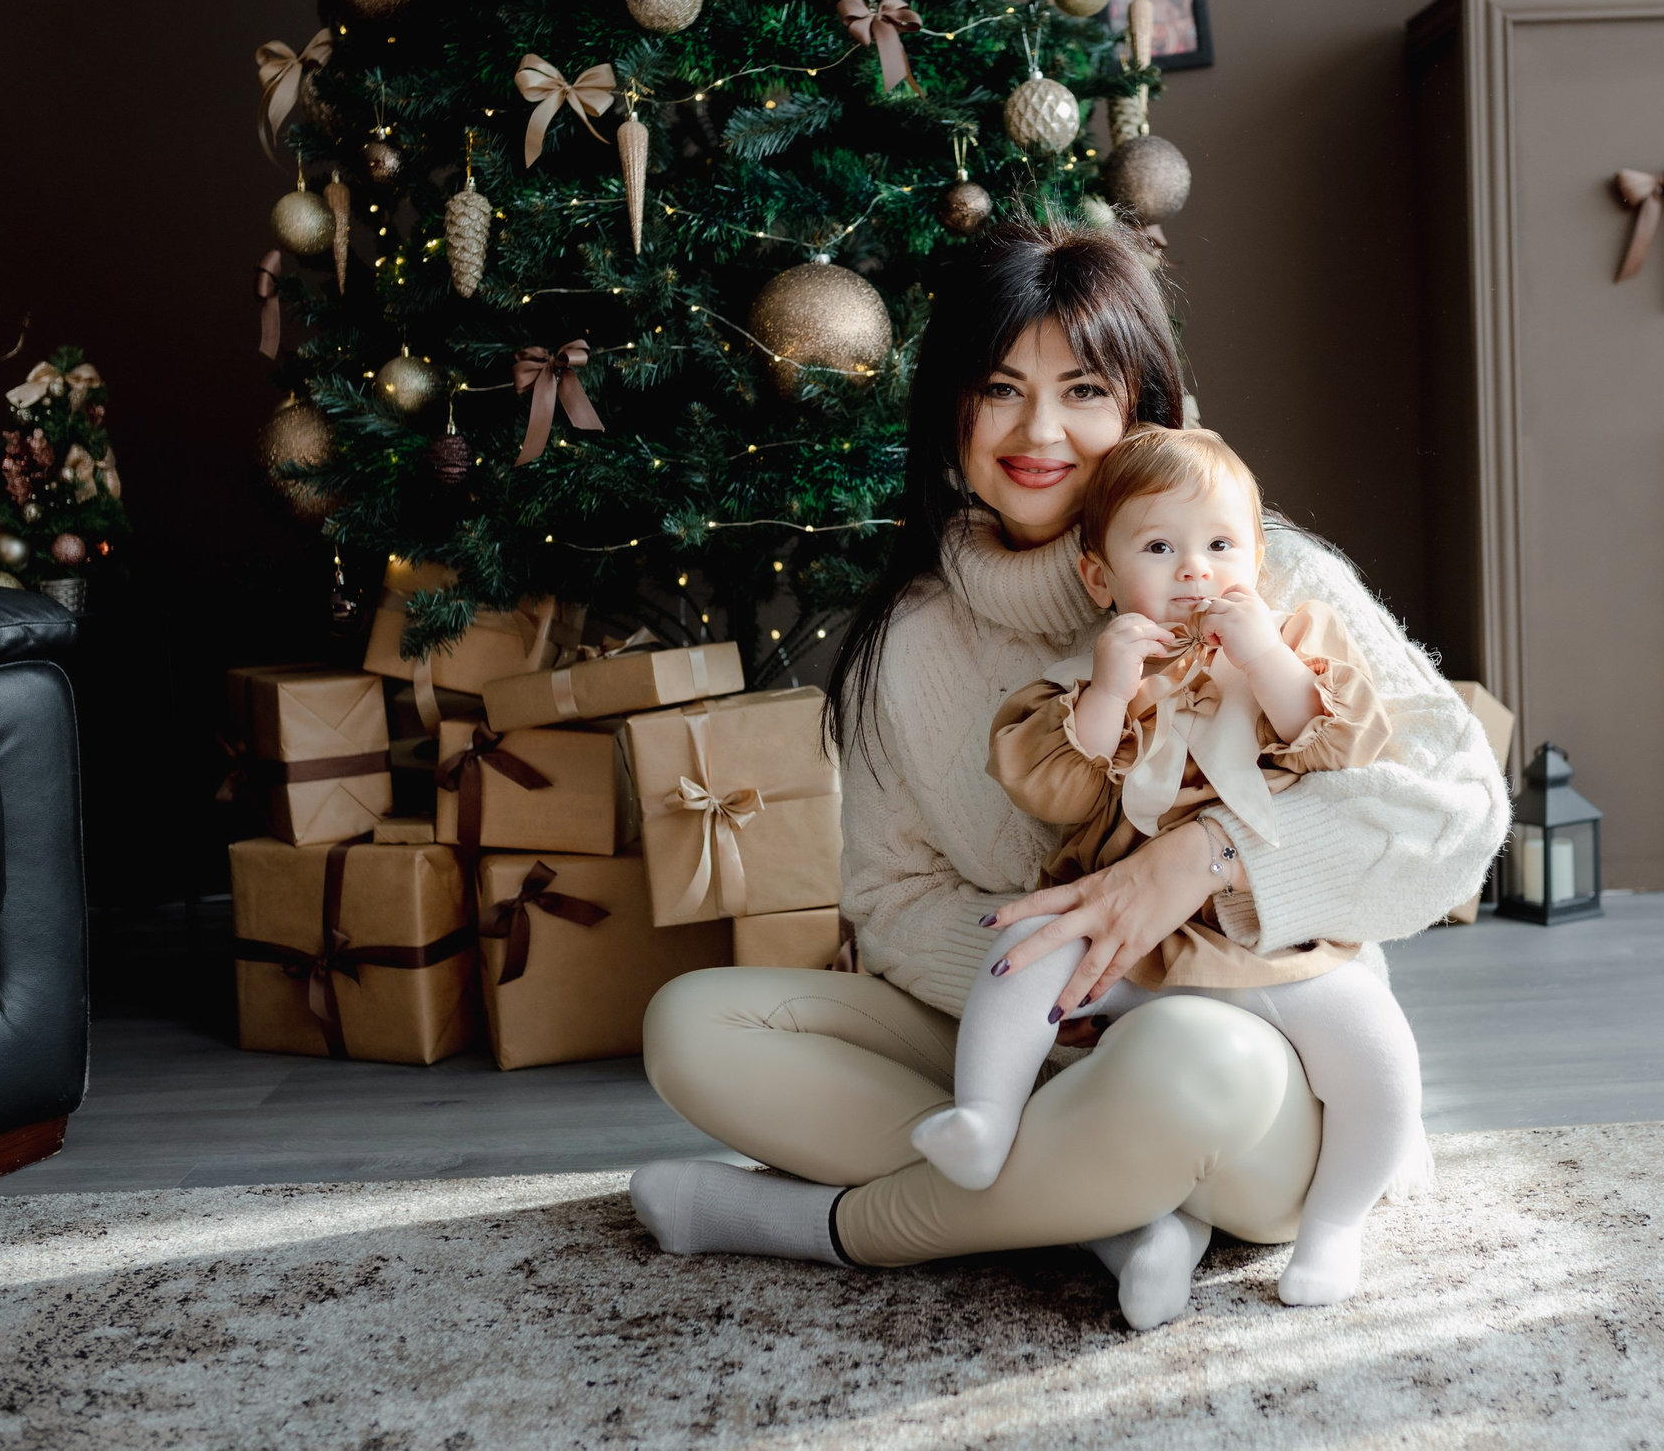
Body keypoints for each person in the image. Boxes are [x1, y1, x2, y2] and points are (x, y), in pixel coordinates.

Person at [632, 219, 1507, 1330]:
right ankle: (1107, 1211)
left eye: (1083, 389)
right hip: (1034, 1035)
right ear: (952, 408)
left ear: (1139, 406)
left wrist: (1209, 857)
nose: (1039, 430)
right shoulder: (906, 640)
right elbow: (889, 903)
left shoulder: (1257, 571)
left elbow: (1462, 805)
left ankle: (820, 1223)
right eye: (1000, 388)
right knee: (696, 1023)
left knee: (1185, 1061)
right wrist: (1077, 969)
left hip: (1253, 1049)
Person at [922, 424, 1422, 1307]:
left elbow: (1345, 746)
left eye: (1221, 546)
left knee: (1376, 1045)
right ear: (1100, 577)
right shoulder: (1096, 670)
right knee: (1024, 952)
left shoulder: (1294, 637)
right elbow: (1054, 791)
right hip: (1132, 944)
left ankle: (1338, 1222)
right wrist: (1111, 689)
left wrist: (1263, 651)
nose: (1195, 571)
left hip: (1261, 930)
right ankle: (986, 1121)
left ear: (1259, 558)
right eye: (1160, 548)